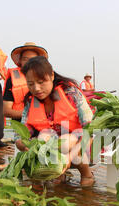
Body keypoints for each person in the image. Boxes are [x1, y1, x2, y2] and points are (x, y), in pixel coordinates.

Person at [15, 56, 95, 187]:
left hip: (81, 144)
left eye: (41, 82)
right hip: (51, 146)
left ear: (51, 76)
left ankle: (86, 174)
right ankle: (58, 174)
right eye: (31, 84)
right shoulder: (30, 102)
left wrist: (69, 157)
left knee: (65, 142)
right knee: (44, 137)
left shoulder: (71, 93)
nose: (36, 89)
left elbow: (91, 130)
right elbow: (19, 137)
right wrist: (27, 147)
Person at [3, 42, 48, 121]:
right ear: (20, 61)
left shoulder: (48, 77)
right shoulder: (12, 80)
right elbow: (6, 110)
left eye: (32, 59)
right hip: (21, 124)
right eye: (25, 59)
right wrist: (28, 114)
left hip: (45, 122)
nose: (29, 62)